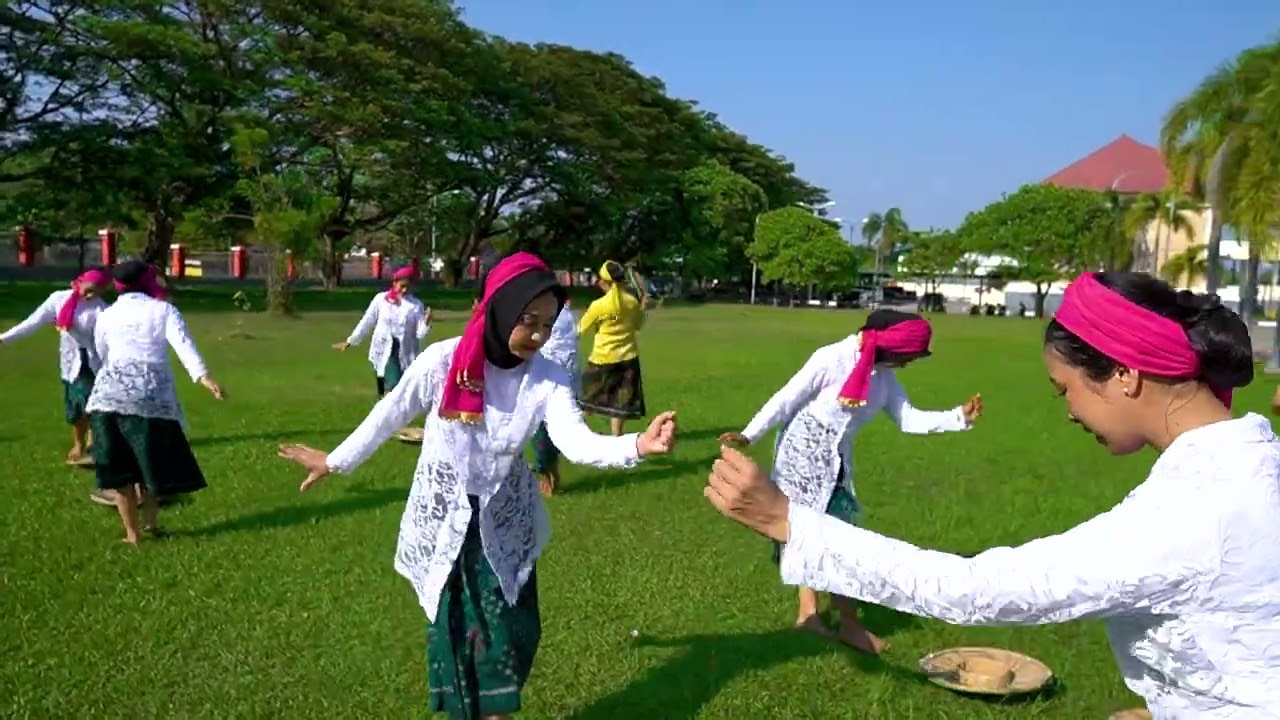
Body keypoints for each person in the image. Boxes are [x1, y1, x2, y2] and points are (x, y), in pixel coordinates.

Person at [706, 272, 1280, 718]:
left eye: (1064, 389)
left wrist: (790, 523)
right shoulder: (1252, 463)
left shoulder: (1193, 511)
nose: (1069, 411)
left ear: (1124, 374)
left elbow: (972, 589)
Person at [278, 252, 677, 720]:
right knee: (464, 635)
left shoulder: (545, 377)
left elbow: (575, 441)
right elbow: (389, 414)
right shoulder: (443, 361)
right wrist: (334, 460)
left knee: (513, 633)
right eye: (528, 321)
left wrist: (638, 445)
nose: (538, 336)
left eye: (547, 325)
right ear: (501, 309)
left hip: (502, 525)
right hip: (446, 522)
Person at [718, 309, 981, 654]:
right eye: (908, 356)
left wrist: (958, 417)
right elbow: (786, 398)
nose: (908, 363)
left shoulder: (883, 376)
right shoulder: (832, 358)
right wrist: (749, 434)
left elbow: (907, 419)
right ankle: (842, 623)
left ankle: (815, 617)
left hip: (836, 459)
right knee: (818, 534)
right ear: (890, 346)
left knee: (821, 534)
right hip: (801, 457)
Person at [86, 260, 225, 544]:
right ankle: (151, 524)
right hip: (150, 397)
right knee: (150, 464)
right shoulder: (163, 310)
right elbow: (184, 345)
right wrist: (204, 376)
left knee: (120, 470)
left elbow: (100, 353)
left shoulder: (107, 314)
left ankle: (132, 534)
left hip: (107, 397)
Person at [0, 267, 112, 466]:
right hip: (71, 361)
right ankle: (81, 442)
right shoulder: (58, 299)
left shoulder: (101, 308)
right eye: (89, 290)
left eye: (96, 292)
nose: (90, 295)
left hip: (94, 362)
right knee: (76, 405)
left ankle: (90, 443)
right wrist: (4, 338)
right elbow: (34, 321)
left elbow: (108, 339)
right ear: (80, 282)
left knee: (89, 401)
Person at [333, 266, 432, 397]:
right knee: (389, 385)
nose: (404, 290)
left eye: (408, 287)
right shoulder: (381, 299)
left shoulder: (415, 305)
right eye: (402, 286)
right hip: (383, 346)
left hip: (403, 350)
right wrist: (351, 340)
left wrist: (426, 321)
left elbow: (420, 333)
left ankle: (387, 404)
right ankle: (386, 403)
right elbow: (368, 320)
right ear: (394, 282)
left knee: (396, 387)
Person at [578, 260, 648, 436]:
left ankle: (576, 432)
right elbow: (638, 326)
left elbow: (580, 329)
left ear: (605, 282)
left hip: (601, 359)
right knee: (620, 403)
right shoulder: (632, 302)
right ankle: (617, 437)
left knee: (587, 401)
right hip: (628, 358)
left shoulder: (598, 305)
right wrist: (642, 309)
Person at [529, 297, 580, 496]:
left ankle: (547, 470)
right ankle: (547, 470)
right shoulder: (562, 313)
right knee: (540, 430)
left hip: (557, 380)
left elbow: (569, 352)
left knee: (545, 431)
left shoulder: (561, 316)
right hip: (542, 378)